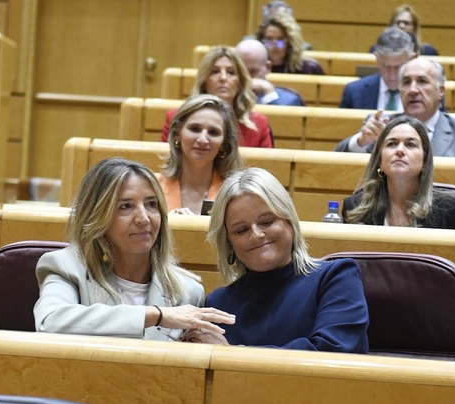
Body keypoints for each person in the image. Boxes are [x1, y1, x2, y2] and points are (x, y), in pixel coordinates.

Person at [33, 158, 236, 340]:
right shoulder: (66, 268)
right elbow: (50, 322)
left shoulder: (187, 291)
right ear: (97, 216)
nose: (143, 218)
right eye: (125, 206)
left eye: (151, 204)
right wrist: (155, 315)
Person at [183, 167, 369, 353]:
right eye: (241, 230)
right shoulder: (218, 303)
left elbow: (332, 352)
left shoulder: (336, 278)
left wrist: (233, 354)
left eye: (267, 222)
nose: (256, 235)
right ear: (229, 242)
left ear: (290, 222)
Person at [335, 58, 455, 159]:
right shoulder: (382, 125)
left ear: (440, 91)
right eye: (406, 82)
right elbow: (338, 161)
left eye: (422, 81)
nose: (413, 90)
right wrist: (362, 141)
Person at [342, 115, 455, 229]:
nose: (400, 150)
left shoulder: (452, 209)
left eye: (411, 145)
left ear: (425, 162)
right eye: (392, 144)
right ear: (380, 160)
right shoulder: (354, 207)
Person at [161, 46, 273, 148]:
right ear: (204, 80)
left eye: (231, 72)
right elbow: (165, 162)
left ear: (240, 82)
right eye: (215, 72)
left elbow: (268, 167)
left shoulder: (259, 123)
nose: (223, 78)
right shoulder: (177, 118)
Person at [158, 95, 242, 215]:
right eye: (195, 129)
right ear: (178, 134)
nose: (203, 140)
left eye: (213, 132)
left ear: (224, 143)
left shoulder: (235, 195)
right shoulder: (152, 188)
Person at [341, 27, 415, 111]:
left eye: (398, 67)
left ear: (411, 59)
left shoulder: (421, 94)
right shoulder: (354, 92)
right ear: (377, 58)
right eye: (386, 66)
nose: (392, 76)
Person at [234, 39, 306, 107]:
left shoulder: (290, 101)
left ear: (268, 67)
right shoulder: (226, 97)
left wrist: (269, 95)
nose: (247, 77)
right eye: (241, 71)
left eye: (253, 71)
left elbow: (279, 119)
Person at [255, 12, 324, 75]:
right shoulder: (254, 68)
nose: (275, 45)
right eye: (269, 40)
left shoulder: (307, 68)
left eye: (280, 40)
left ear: (290, 43)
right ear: (261, 42)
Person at [369, 4, 438, 56]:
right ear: (391, 26)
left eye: (406, 23)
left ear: (414, 28)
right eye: (397, 22)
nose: (401, 26)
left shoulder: (427, 52)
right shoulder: (377, 50)